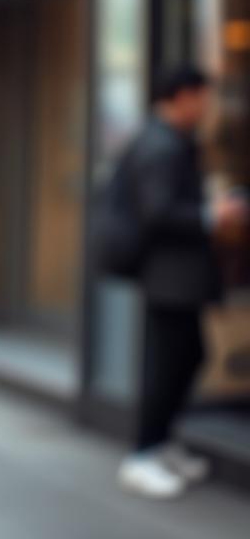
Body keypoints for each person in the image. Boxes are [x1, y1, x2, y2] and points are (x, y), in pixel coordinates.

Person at [116, 65, 248, 499]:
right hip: (169, 276)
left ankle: (160, 444)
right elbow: (158, 212)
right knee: (167, 364)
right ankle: (142, 455)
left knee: (188, 355)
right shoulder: (161, 144)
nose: (207, 107)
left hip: (176, 276)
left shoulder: (166, 140)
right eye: (202, 97)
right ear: (182, 97)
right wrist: (215, 215)